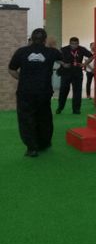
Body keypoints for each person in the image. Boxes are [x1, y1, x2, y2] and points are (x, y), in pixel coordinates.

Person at [8, 28, 66, 157]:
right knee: (44, 117)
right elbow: (65, 64)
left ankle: (32, 148)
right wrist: (53, 47)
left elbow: (12, 70)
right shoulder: (52, 52)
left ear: (31, 38)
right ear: (45, 40)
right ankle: (44, 143)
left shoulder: (21, 52)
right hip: (44, 91)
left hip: (25, 91)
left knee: (26, 119)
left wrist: (22, 79)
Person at [56, 37, 93, 114]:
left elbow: (91, 56)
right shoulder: (64, 49)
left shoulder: (82, 49)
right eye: (72, 44)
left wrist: (84, 64)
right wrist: (63, 64)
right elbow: (56, 58)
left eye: (76, 44)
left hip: (77, 73)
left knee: (77, 92)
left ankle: (76, 109)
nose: (74, 46)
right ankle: (60, 107)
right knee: (63, 91)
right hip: (66, 73)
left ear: (78, 43)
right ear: (70, 43)